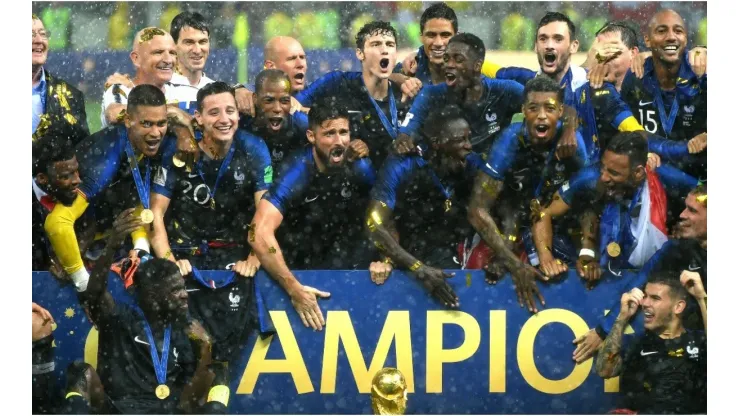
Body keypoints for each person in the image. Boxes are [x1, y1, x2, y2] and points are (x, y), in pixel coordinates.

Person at [149, 81, 274, 364]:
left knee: (227, 355)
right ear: (199, 118)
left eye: (230, 111)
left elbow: (264, 212)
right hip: (186, 257)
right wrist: (168, 260)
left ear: (239, 116)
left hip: (235, 258)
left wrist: (255, 256)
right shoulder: (178, 151)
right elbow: (155, 214)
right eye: (214, 112)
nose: (224, 119)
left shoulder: (253, 149)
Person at [467, 75, 591, 311]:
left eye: (550, 108)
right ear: (523, 110)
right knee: (483, 266)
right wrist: (512, 262)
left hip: (555, 220)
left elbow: (587, 200)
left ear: (561, 111)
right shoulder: (510, 141)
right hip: (511, 221)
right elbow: (476, 210)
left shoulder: (573, 144)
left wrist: (587, 250)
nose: (542, 116)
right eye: (533, 108)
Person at [249, 99, 374, 331]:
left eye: (344, 132)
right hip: (300, 271)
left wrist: (384, 260)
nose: (339, 142)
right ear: (311, 136)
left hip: (351, 270)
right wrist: (294, 289)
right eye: (329, 134)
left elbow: (384, 219)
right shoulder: (296, 172)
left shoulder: (361, 168)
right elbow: (257, 233)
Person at [367, 105, 509, 308]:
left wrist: (507, 257)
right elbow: (374, 224)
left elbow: (509, 206)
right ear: (437, 143)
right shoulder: (402, 165)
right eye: (461, 140)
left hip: (454, 251)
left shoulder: (471, 162)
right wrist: (417, 267)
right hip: (409, 254)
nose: (469, 146)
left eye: (469, 138)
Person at [79, 208, 215, 414]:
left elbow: (189, 404)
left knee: (218, 378)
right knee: (80, 373)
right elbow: (95, 294)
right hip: (121, 411)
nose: (185, 295)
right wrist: (112, 245)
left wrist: (205, 350)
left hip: (166, 412)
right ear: (152, 295)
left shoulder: (184, 331)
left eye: (183, 288)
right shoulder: (119, 319)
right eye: (176, 290)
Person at [44, 85, 176, 294]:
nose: (156, 132)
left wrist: (140, 249)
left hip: (107, 247)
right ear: (128, 120)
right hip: (64, 256)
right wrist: (83, 282)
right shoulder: (105, 161)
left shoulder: (143, 145)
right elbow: (58, 223)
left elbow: (133, 200)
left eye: (161, 123)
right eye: (147, 124)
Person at [532, 132, 698, 281]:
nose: (604, 177)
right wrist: (547, 259)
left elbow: (705, 197)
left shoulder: (666, 179)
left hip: (653, 273)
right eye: (603, 167)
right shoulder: (590, 177)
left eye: (614, 173)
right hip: (600, 267)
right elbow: (543, 213)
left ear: (638, 173)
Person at [573, 184, 706, 363]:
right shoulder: (677, 250)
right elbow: (639, 282)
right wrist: (602, 330)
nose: (682, 215)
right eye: (684, 207)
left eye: (692, 210)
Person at [294, 21, 410, 167]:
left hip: (400, 179)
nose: (384, 50)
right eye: (376, 44)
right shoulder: (337, 83)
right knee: (361, 166)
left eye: (390, 45)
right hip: (355, 180)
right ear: (360, 53)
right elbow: (293, 105)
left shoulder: (406, 92)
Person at [394, 33, 530, 156]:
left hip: (491, 170)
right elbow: (405, 133)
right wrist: (404, 140)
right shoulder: (431, 94)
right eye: (446, 59)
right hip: (449, 172)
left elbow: (541, 105)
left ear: (477, 66)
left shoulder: (505, 91)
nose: (449, 65)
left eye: (458, 60)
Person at [595, 271, 706, 414]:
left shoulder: (699, 342)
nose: (645, 303)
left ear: (678, 307)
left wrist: (701, 298)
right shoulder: (637, 344)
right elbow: (605, 370)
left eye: (655, 298)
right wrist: (622, 317)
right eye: (645, 296)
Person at [617, 9, 707, 181]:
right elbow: (626, 134)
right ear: (647, 39)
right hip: (651, 178)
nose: (671, 37)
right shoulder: (637, 76)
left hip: (700, 180)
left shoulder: (701, 74)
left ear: (686, 39)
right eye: (662, 30)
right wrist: (644, 151)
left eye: (678, 31)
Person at [101, 27, 200, 126]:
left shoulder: (189, 92)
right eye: (158, 52)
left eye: (172, 53)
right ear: (136, 59)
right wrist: (175, 111)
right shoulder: (121, 89)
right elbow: (113, 114)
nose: (168, 60)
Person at [32, 122, 93, 275]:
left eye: (76, 171)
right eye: (66, 176)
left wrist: (72, 254)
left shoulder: (85, 179)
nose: (77, 180)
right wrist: (48, 266)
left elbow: (93, 222)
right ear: (42, 178)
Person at [395, 2, 501, 85]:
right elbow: (381, 79)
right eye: (431, 35)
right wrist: (398, 79)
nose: (438, 43)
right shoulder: (408, 68)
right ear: (421, 37)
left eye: (445, 35)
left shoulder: (476, 66)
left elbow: (514, 78)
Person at [32, 14, 89, 142]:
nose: (39, 40)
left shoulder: (72, 96)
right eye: (31, 35)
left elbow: (82, 152)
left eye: (43, 34)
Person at [240, 69, 309, 167]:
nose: (277, 109)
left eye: (284, 101)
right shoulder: (240, 120)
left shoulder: (301, 124)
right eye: (269, 100)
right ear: (255, 99)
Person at [170, 11, 214, 89]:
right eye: (189, 42)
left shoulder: (217, 92)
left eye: (202, 42)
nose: (197, 50)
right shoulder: (162, 90)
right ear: (173, 45)